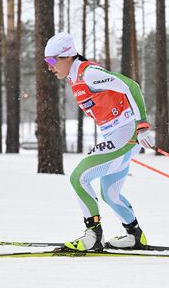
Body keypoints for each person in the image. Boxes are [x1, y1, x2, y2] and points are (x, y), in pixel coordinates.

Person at [44, 32, 154, 252]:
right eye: (47, 62)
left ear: (67, 56)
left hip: (125, 134)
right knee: (110, 194)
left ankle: (93, 235)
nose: (49, 67)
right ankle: (134, 235)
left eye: (52, 61)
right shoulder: (74, 77)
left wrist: (142, 125)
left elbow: (131, 86)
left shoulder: (89, 74)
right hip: (116, 135)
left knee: (79, 177)